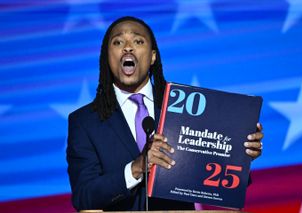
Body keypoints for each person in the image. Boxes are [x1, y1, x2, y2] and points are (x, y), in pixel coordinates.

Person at [66, 16, 263, 211]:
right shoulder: (84, 122)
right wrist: (136, 168)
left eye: (138, 41)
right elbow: (85, 196)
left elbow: (215, 175)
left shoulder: (184, 107)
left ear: (152, 56)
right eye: (118, 42)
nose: (127, 47)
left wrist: (238, 153)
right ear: (107, 57)